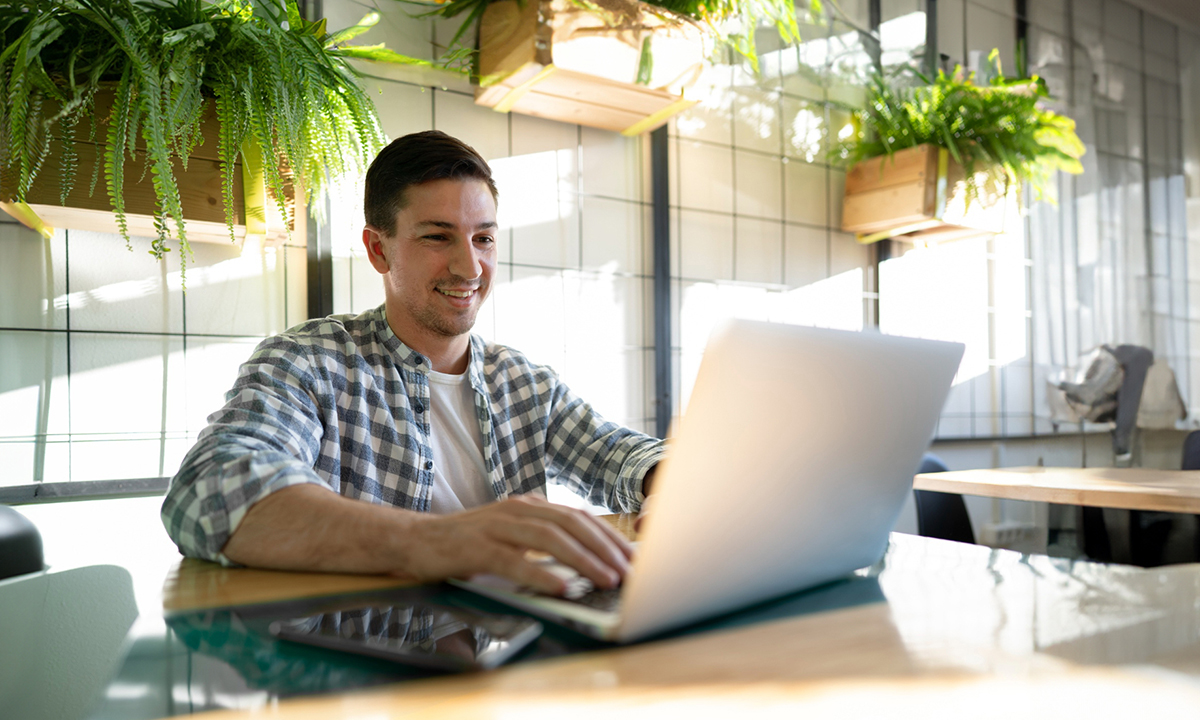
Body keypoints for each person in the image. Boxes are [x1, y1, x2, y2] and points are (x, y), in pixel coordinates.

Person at [161, 131, 664, 595]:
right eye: (437, 237)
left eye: (483, 238)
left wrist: (668, 481)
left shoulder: (524, 383)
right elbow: (209, 491)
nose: (470, 268)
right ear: (379, 249)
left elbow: (618, 455)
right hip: (366, 672)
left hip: (513, 661)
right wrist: (435, 542)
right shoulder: (309, 362)